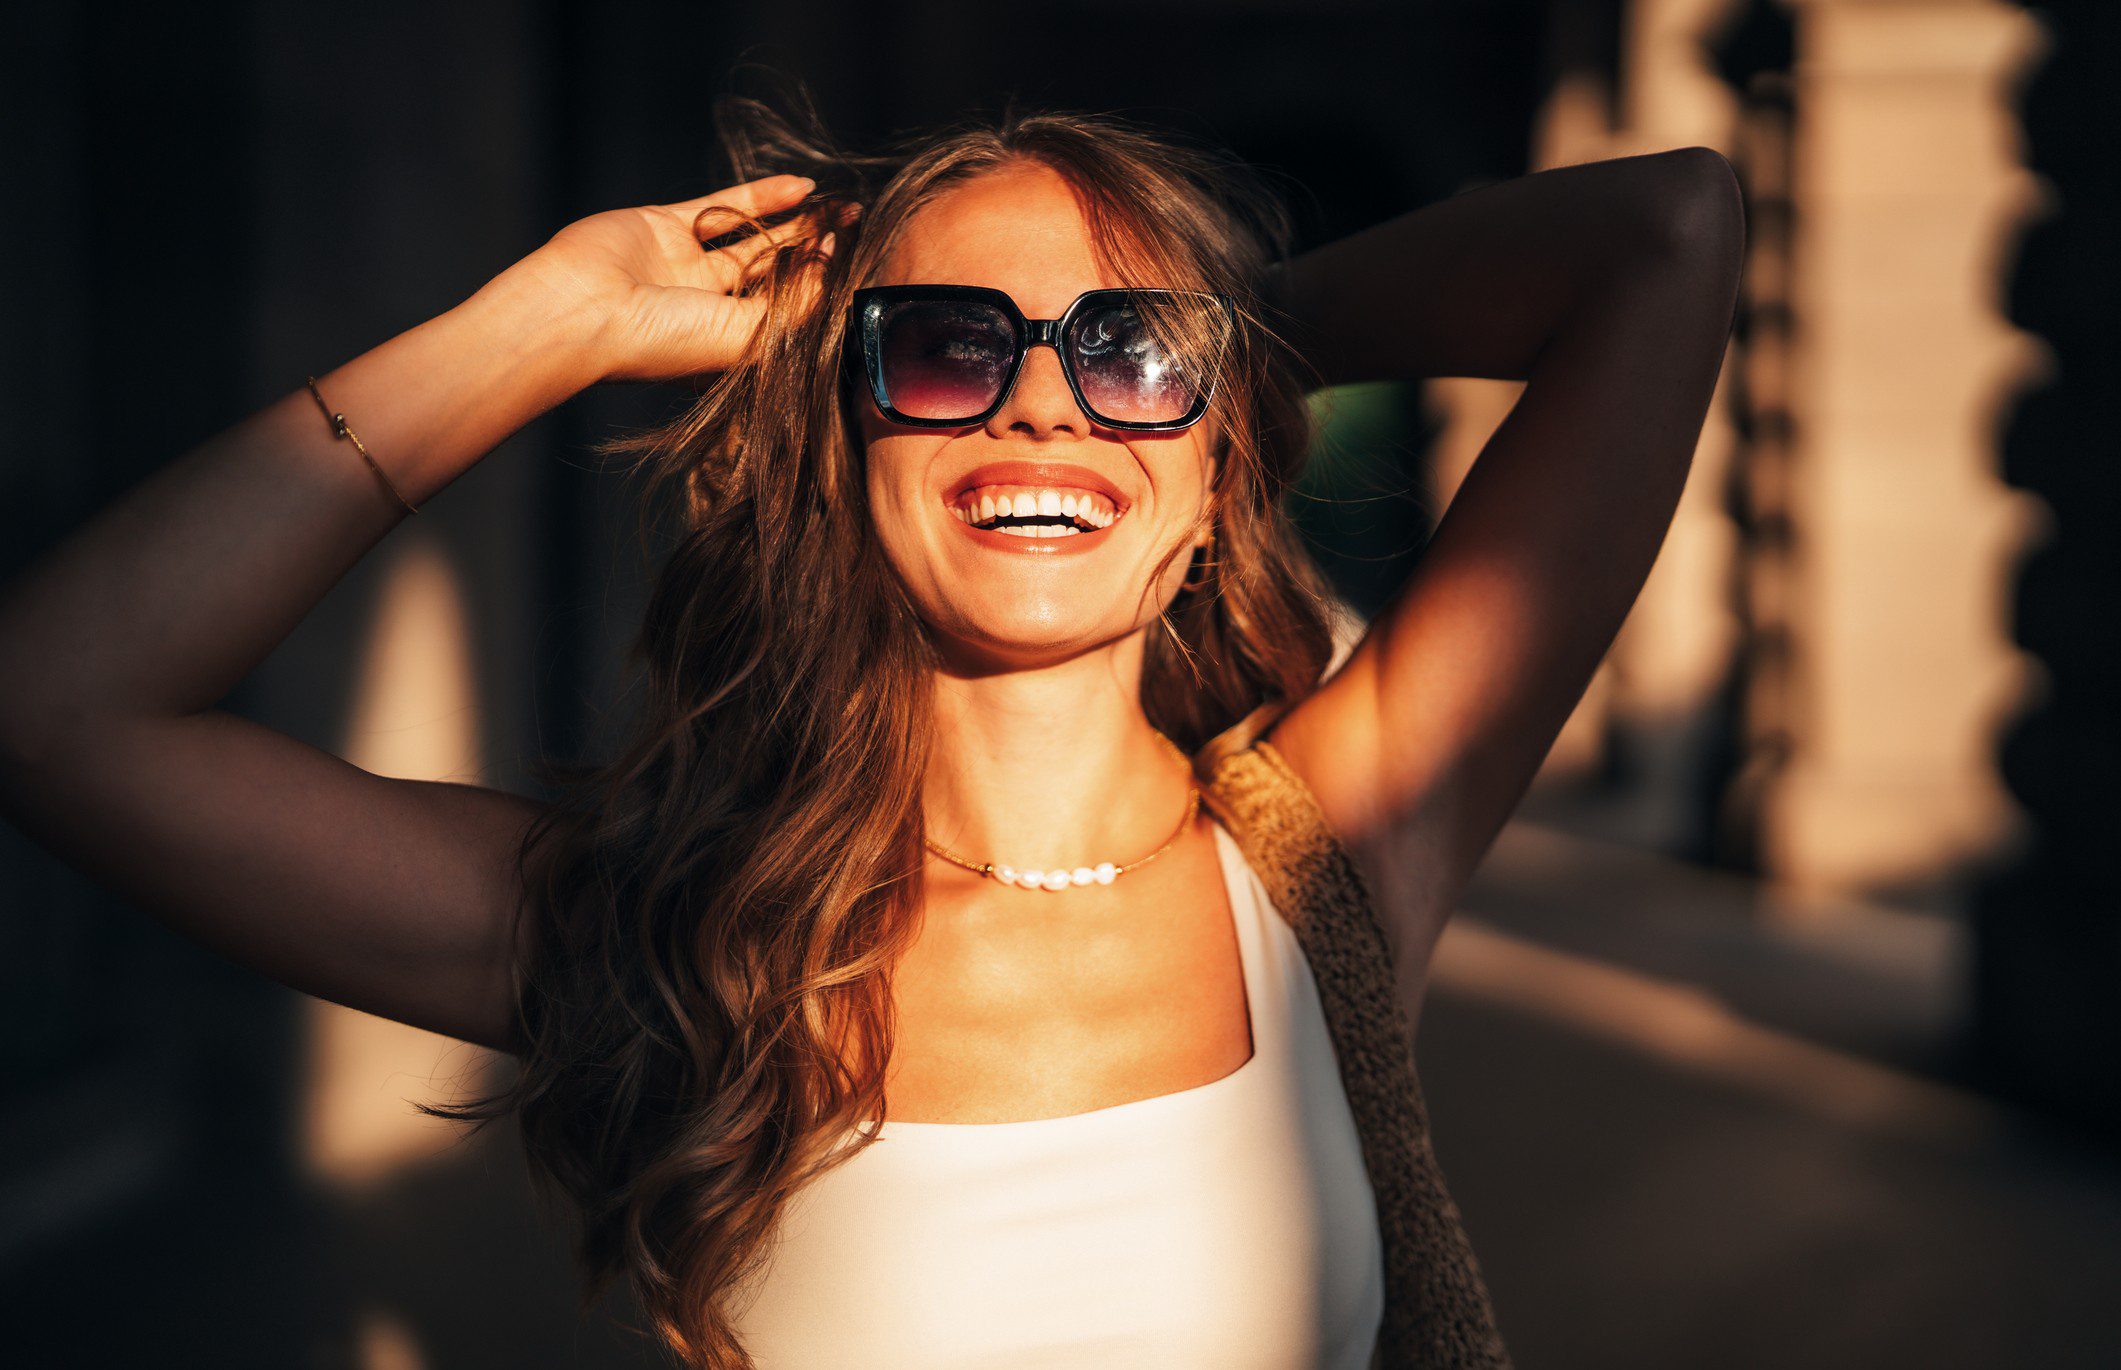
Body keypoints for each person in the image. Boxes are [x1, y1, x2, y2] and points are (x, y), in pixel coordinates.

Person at [0, 91, 1743, 1370]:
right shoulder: (676, 930)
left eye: (1121, 352)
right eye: (945, 348)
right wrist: (545, 323)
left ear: (1220, 485)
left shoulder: (1331, 859)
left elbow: (1666, 234)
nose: (1045, 396)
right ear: (844, 457)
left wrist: (1220, 341)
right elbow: (62, 706)